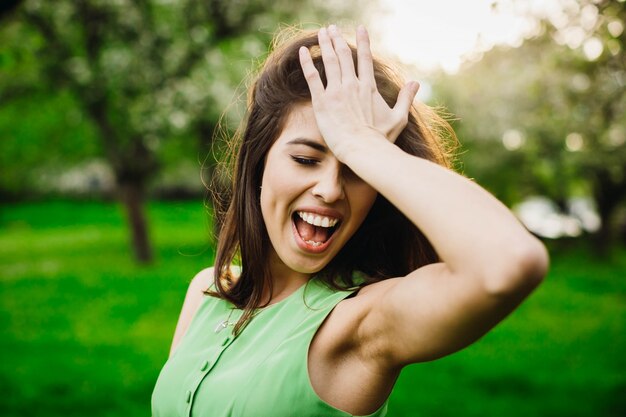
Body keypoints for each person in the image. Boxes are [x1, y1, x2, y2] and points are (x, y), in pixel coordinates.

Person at [151, 25, 549, 417]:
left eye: (356, 169)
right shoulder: (207, 290)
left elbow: (510, 262)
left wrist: (366, 145)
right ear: (259, 163)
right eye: (306, 159)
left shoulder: (360, 324)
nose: (330, 189)